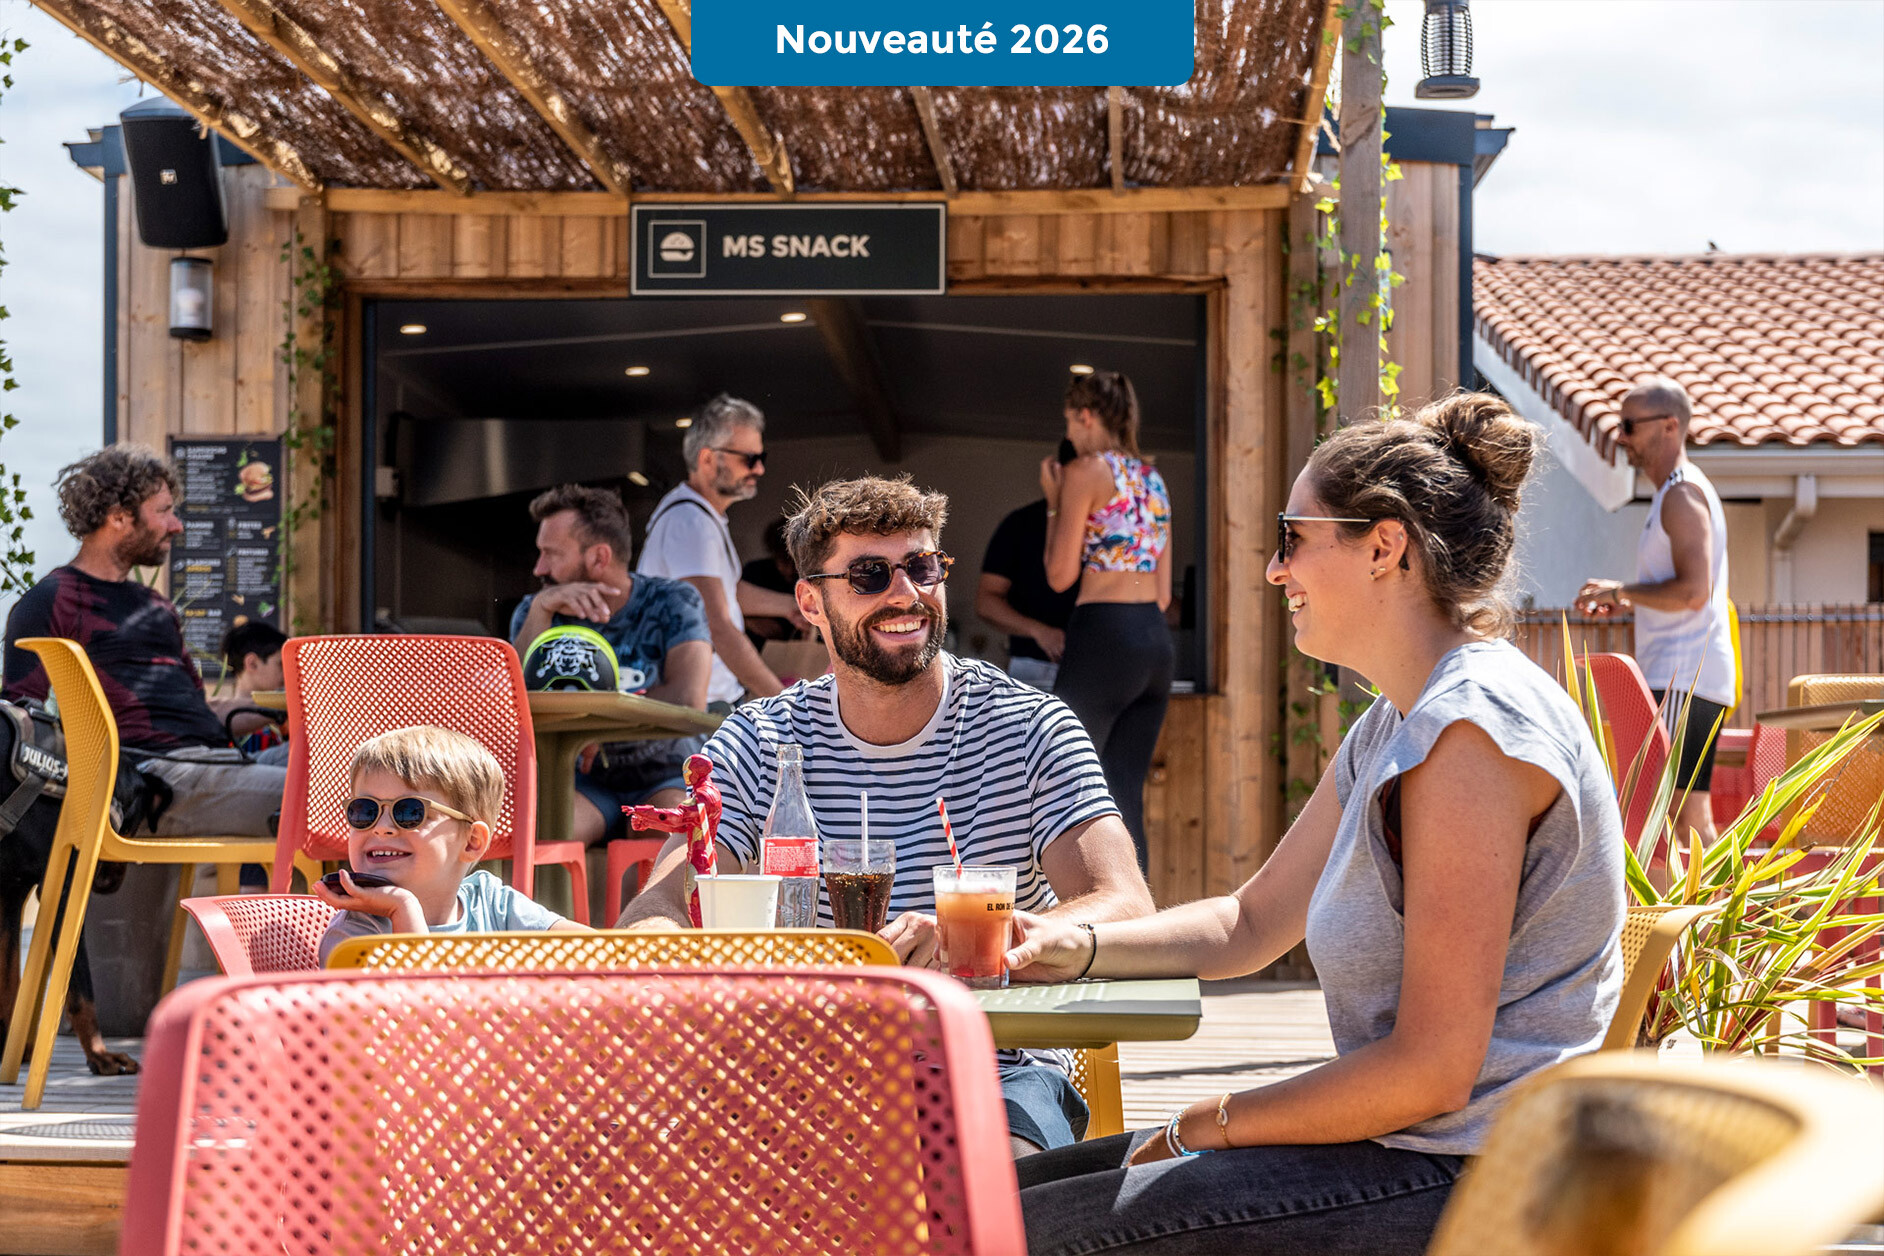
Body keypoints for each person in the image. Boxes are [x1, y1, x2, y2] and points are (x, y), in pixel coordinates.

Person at [1005, 394, 1625, 1255]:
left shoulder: (1470, 733)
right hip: (1410, 1151)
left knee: (1017, 1229)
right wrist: (1068, 944)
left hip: (1478, 1187)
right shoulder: (1400, 721)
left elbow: (1433, 1072)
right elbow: (1250, 922)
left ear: (1383, 547)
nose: (1274, 569)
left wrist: (1208, 1122)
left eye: (1292, 537)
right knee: (996, 1191)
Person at [619, 474, 1155, 1157]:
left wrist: (990, 939)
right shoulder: (759, 739)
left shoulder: (1030, 727)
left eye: (922, 567)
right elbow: (659, 907)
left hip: (991, 1060)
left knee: (989, 1181)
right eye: (869, 575)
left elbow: (1125, 906)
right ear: (810, 602)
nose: (904, 593)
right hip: (798, 1062)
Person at [2, 445, 286, 835]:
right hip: (150, 781)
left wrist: (293, 708)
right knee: (334, 796)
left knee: (348, 767)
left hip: (217, 765)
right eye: (164, 511)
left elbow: (202, 713)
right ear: (119, 516)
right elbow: (21, 724)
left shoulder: (157, 607)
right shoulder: (53, 601)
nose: (177, 525)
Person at [1574, 377, 1734, 850]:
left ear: (1669, 426)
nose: (1621, 437)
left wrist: (1622, 591)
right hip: (1683, 676)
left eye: (1629, 425)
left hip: (1686, 676)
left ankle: (1730, 899)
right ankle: (1724, 899)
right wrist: (1627, 598)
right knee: (1679, 818)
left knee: (1681, 818)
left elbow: (1693, 593)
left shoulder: (1682, 496)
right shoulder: (1674, 494)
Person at [511, 484, 712, 846]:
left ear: (599, 558)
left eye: (551, 554)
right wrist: (542, 609)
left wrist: (599, 730)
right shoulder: (536, 609)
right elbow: (513, 699)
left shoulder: (672, 601)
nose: (539, 567)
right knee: (541, 835)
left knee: (670, 837)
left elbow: (688, 697)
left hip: (665, 773)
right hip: (583, 782)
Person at [1041, 370, 1173, 872]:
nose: (1069, 436)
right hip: (1154, 642)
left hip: (1105, 637)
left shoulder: (1086, 471)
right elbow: (1163, 593)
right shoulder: (1154, 479)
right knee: (1123, 789)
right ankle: (1137, 912)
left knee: (1059, 777)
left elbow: (1059, 576)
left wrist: (1054, 504)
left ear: (1086, 416)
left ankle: (1067, 905)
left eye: (1069, 423)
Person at [315, 725, 593, 961]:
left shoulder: (492, 903)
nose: (381, 828)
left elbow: (596, 954)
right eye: (365, 810)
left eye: (409, 812)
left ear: (472, 842)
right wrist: (402, 909)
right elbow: (422, 1002)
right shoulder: (354, 933)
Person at [638, 394, 804, 705]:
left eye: (762, 457)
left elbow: (726, 591)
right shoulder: (691, 522)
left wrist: (790, 606)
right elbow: (715, 624)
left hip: (703, 699)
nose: (759, 469)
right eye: (749, 459)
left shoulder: (696, 515)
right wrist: (784, 704)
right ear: (707, 459)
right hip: (699, 705)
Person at [978, 439, 1080, 690]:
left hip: (1097, 665)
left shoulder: (1109, 525)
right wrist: (1039, 632)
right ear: (1061, 472)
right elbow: (986, 601)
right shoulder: (1020, 524)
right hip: (1033, 668)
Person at [206, 620, 288, 747]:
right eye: (280, 664)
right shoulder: (220, 720)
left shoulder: (280, 724)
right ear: (252, 663)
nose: (286, 672)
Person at [740, 517, 800, 649]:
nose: (790, 570)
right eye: (784, 561)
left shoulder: (807, 577)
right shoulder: (756, 571)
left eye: (795, 563)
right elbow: (726, 607)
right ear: (774, 554)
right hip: (753, 649)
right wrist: (750, 622)